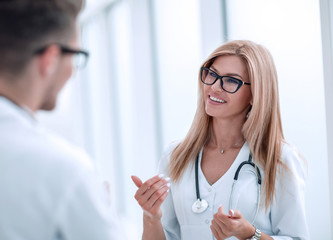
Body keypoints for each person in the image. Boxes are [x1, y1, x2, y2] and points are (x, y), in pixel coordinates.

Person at [132, 40, 310, 240]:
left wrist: (251, 234)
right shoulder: (176, 156)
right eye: (212, 74)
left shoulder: (280, 159)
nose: (215, 86)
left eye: (231, 81)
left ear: (255, 94)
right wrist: (151, 216)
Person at [0, 1, 124, 239]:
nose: (73, 70)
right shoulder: (64, 172)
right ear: (51, 58)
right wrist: (95, 208)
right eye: (76, 55)